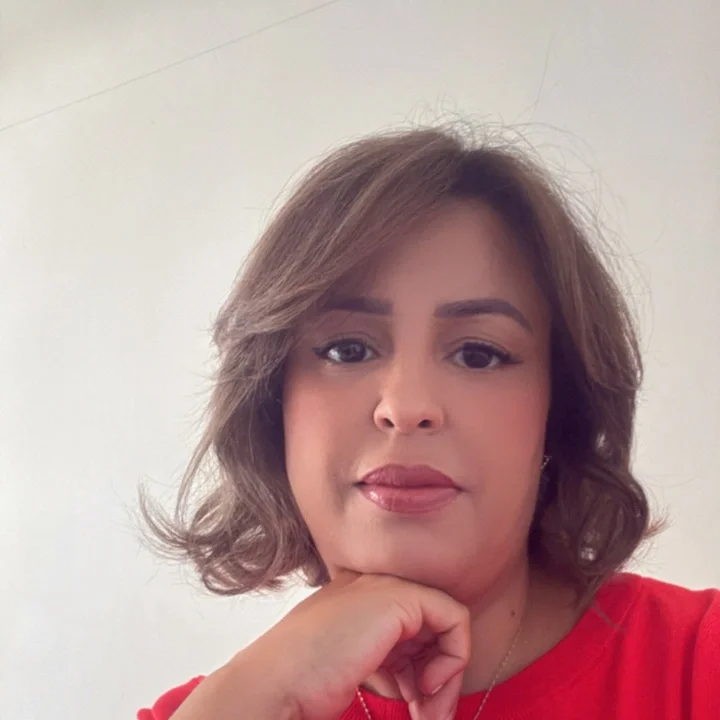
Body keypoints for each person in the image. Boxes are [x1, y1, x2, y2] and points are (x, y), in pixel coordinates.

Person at [137, 126, 719, 720]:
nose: (406, 405)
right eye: (346, 350)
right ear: (271, 402)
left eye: (479, 355)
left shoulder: (700, 662)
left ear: (560, 410)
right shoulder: (208, 711)